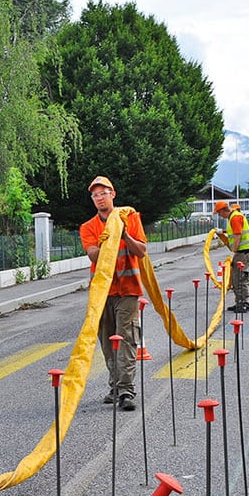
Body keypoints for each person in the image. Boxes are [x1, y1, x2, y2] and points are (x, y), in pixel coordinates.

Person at [79, 176, 146, 411]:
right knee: (108, 343)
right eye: (95, 195)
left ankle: (126, 390)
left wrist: (124, 235)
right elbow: (93, 255)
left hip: (128, 291)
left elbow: (142, 251)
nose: (99, 198)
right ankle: (116, 386)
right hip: (102, 294)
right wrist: (108, 239)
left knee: (126, 340)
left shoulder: (130, 218)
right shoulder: (88, 227)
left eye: (103, 193)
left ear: (113, 194)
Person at [213, 200, 249, 313]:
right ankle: (239, 302)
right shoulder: (233, 217)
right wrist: (222, 231)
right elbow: (234, 231)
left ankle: (244, 303)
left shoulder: (235, 217)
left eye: (219, 213)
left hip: (242, 252)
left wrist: (233, 252)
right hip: (241, 252)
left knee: (240, 278)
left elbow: (237, 236)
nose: (220, 216)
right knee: (235, 278)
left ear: (223, 210)